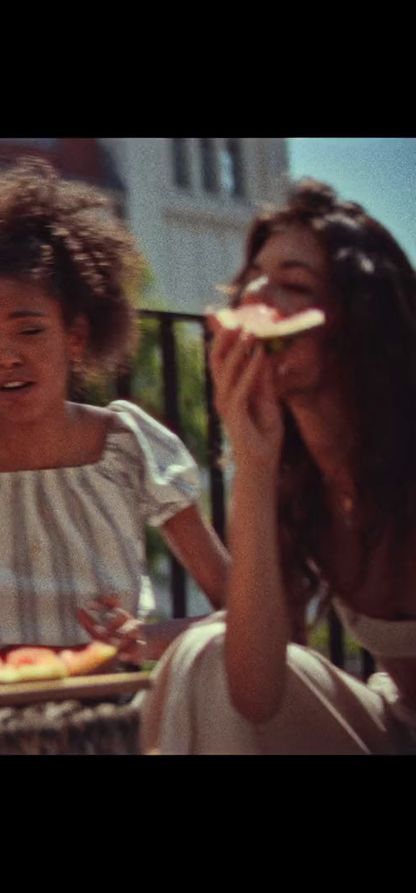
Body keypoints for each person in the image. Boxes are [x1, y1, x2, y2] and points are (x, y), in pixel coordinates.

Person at [0, 158, 229, 656]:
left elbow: (243, 614)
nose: (7, 355)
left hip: (116, 714)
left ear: (75, 336)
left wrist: (141, 640)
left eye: (29, 330)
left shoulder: (131, 445)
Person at [140, 179, 416, 753]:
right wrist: (253, 462)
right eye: (255, 280)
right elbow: (256, 695)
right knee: (205, 655)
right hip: (397, 721)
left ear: (357, 321)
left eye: (294, 284)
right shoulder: (301, 483)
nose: (260, 298)